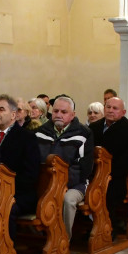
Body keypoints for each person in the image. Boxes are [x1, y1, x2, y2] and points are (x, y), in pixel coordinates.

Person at [35, 95, 94, 237]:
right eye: (55, 111)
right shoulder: (41, 132)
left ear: (72, 115)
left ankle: (63, 239)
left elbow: (84, 168)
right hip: (45, 182)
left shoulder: (83, 133)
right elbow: (35, 161)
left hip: (74, 184)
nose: (59, 115)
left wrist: (61, 184)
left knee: (67, 200)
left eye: (64, 112)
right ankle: (42, 237)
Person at [92, 96, 128, 235]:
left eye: (115, 108)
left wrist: (109, 173)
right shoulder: (95, 126)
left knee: (109, 194)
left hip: (117, 175)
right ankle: (92, 227)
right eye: (108, 107)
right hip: (94, 173)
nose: (110, 110)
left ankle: (109, 229)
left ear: (123, 112)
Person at [0, 94, 39, 217]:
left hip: (18, 194)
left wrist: (6, 191)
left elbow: (30, 174)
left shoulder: (27, 138)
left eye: (1, 109)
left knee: (3, 209)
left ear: (13, 115)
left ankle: (8, 237)